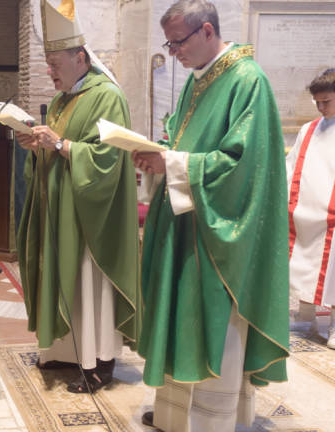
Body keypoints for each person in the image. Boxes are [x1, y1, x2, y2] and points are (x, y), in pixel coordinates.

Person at [133, 1, 290, 430]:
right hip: (187, 220)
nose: (174, 51)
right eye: (169, 42)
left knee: (210, 320)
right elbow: (184, 138)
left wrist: (176, 164)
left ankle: (207, 422)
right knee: (180, 313)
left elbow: (244, 164)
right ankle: (174, 414)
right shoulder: (197, 80)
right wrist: (159, 154)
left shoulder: (247, 80)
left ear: (206, 31)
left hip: (219, 232)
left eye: (178, 41)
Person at [14, 0, 140, 394]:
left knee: (89, 287)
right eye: (48, 64)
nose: (49, 72)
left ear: (80, 57)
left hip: (89, 220)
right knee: (65, 280)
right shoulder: (61, 100)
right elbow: (55, 148)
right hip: (60, 212)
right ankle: (68, 353)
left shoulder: (108, 97)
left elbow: (109, 158)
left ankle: (100, 364)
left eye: (55, 64)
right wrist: (35, 145)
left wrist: (63, 145)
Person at [287, 68, 335, 350]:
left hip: (333, 219)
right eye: (317, 102)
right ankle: (307, 319)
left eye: (326, 101)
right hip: (306, 214)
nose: (320, 107)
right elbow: (292, 166)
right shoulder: (309, 129)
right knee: (304, 267)